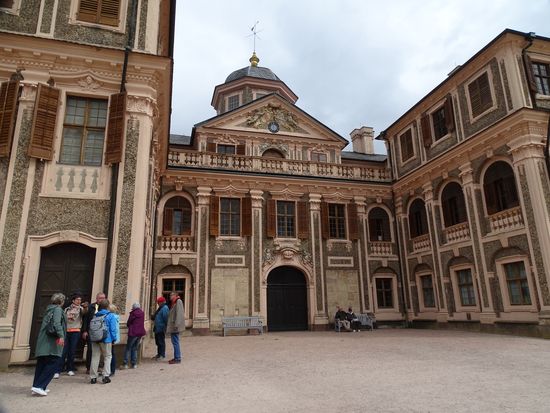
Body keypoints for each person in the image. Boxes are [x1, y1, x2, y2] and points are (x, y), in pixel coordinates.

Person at [31, 293, 66, 396]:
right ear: (61, 301)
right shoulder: (58, 309)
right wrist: (61, 336)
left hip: (44, 341)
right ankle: (39, 386)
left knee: (42, 364)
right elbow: (56, 323)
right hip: (51, 342)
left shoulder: (49, 309)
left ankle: (37, 386)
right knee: (53, 362)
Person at [54, 293, 84, 378]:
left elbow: (85, 312)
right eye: (77, 299)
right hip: (66, 331)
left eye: (80, 300)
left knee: (72, 350)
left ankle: (70, 368)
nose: (79, 301)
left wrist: (85, 307)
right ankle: (58, 370)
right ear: (73, 300)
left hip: (76, 331)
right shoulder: (67, 309)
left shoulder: (81, 309)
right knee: (63, 351)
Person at [89, 299, 118, 384]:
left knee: (95, 357)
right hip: (106, 339)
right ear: (108, 306)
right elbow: (113, 329)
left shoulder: (95, 315)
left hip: (95, 338)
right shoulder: (110, 315)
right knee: (107, 356)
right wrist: (114, 339)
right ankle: (105, 376)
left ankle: (93, 377)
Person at [82, 292, 106, 374]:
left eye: (103, 298)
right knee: (90, 350)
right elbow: (85, 319)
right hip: (91, 332)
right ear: (97, 298)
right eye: (100, 298)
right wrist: (84, 331)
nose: (102, 300)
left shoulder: (106, 308)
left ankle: (99, 366)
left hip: (101, 332)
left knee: (101, 350)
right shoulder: (91, 307)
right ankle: (89, 367)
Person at [122, 302, 146, 369]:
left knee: (128, 348)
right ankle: (134, 364)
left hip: (133, 333)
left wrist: (129, 326)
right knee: (135, 348)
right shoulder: (142, 313)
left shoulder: (133, 313)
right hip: (140, 333)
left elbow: (128, 322)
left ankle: (125, 364)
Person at [166, 292, 185, 364]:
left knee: (175, 342)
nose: (170, 296)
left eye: (171, 295)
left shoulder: (178, 301)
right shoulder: (174, 302)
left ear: (175, 295)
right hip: (173, 325)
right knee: (174, 342)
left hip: (175, 326)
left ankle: (177, 358)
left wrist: (177, 325)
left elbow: (179, 313)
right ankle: (176, 357)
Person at [152, 296, 169, 361]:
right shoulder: (160, 308)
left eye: (158, 302)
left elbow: (166, 318)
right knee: (158, 342)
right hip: (157, 327)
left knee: (161, 342)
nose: (158, 304)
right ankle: (159, 354)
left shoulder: (164, 308)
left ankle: (162, 355)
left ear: (162, 302)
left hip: (161, 327)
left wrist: (165, 327)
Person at [108, 304, 120, 376]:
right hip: (114, 338)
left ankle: (111, 370)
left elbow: (113, 329)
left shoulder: (112, 317)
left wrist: (113, 338)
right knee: (111, 354)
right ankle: (111, 370)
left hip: (111, 338)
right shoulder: (116, 317)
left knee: (110, 354)